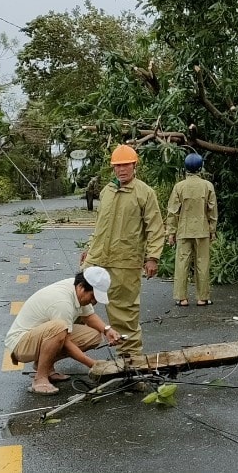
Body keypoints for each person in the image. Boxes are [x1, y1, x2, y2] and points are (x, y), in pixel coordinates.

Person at [80, 144, 166, 360]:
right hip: (96, 258)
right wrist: (89, 248)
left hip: (125, 263)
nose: (121, 170)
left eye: (125, 165)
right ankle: (60, 348)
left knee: (124, 313)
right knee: (75, 302)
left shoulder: (144, 193)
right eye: (117, 166)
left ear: (134, 165)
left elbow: (155, 227)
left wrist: (152, 258)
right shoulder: (107, 191)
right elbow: (100, 225)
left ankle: (131, 360)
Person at [3, 266, 121, 395]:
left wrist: (107, 330)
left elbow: (88, 316)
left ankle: (46, 367)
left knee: (94, 335)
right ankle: (40, 379)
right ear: (82, 287)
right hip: (21, 344)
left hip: (39, 336)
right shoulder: (62, 301)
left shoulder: (76, 288)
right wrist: (94, 364)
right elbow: (65, 341)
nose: (93, 302)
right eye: (93, 297)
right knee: (59, 328)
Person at [167, 152, 218, 307]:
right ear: (200, 167)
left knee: (182, 263)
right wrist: (212, 229)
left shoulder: (179, 187)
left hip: (183, 230)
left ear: (186, 167)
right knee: (202, 263)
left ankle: (181, 298)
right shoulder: (207, 186)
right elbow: (212, 210)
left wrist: (171, 232)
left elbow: (172, 211)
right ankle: (202, 298)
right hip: (202, 230)